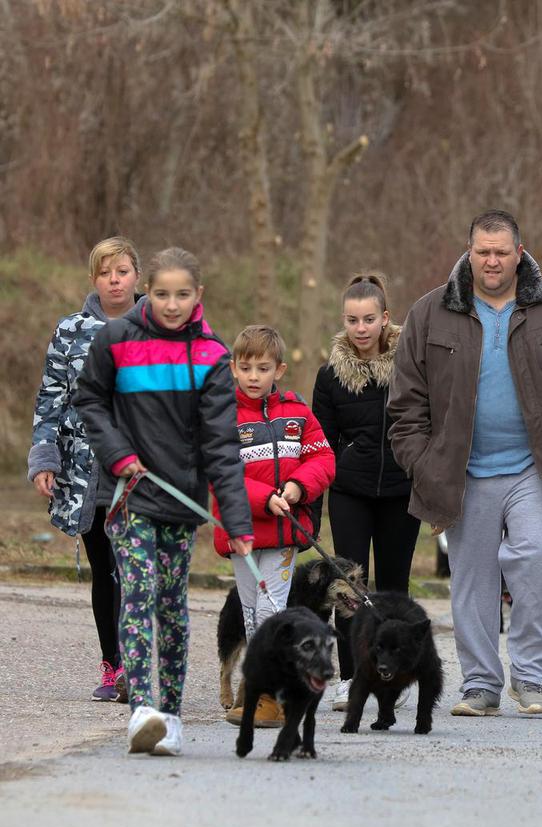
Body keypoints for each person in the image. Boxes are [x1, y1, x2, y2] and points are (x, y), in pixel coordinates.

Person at [388, 210, 542, 717]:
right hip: (461, 472)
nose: (492, 261)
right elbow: (405, 405)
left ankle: (530, 676)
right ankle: (481, 684)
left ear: (520, 252)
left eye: (501, 252)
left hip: (538, 468)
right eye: (483, 251)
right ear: (469, 251)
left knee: (538, 557)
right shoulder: (431, 313)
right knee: (472, 579)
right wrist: (425, 466)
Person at [74, 247, 253, 757]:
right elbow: (89, 399)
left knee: (172, 606)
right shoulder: (115, 340)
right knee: (139, 591)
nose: (171, 305)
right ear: (145, 292)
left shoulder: (214, 356)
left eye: (182, 294)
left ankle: (169, 717)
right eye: (161, 294)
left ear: (198, 296)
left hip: (180, 500)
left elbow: (221, 444)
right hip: (127, 495)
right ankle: (143, 712)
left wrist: (236, 521)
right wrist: (118, 454)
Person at [28, 237, 140, 703]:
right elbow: (50, 399)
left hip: (141, 471)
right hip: (86, 472)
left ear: (137, 276)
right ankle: (113, 667)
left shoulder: (158, 327)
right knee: (106, 569)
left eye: (122, 271)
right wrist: (45, 458)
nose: (114, 280)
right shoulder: (70, 330)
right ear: (94, 279)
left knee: (141, 568)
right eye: (105, 272)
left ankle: (143, 662)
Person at [217, 325, 335, 726]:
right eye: (245, 367)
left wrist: (298, 488)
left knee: (271, 610)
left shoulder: (298, 413)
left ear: (279, 370)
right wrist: (263, 497)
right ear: (233, 368)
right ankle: (259, 687)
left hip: (285, 534)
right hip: (242, 531)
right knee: (251, 613)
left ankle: (274, 697)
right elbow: (222, 471)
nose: (253, 376)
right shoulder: (222, 416)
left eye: (262, 368)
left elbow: (323, 460)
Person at [312, 273, 419, 712]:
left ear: (385, 318)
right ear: (344, 321)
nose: (361, 328)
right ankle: (351, 677)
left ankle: (393, 674)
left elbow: (425, 423)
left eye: (369, 319)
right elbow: (319, 441)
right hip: (350, 492)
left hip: (401, 490)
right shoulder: (330, 376)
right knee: (349, 587)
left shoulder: (411, 367)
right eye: (352, 320)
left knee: (394, 588)